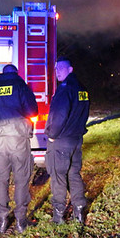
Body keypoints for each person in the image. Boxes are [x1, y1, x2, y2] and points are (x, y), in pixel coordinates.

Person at [0, 64, 38, 234]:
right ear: (15, 73)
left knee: (0, 180)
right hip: (18, 138)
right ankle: (21, 220)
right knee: (21, 178)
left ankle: (2, 219)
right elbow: (32, 110)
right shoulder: (21, 86)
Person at [45, 57, 90, 225]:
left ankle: (58, 216)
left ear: (70, 69)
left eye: (61, 69)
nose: (57, 72)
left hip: (61, 141)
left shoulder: (64, 90)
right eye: (56, 69)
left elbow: (59, 116)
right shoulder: (82, 89)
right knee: (74, 174)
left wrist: (52, 135)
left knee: (58, 177)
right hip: (76, 140)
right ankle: (78, 211)